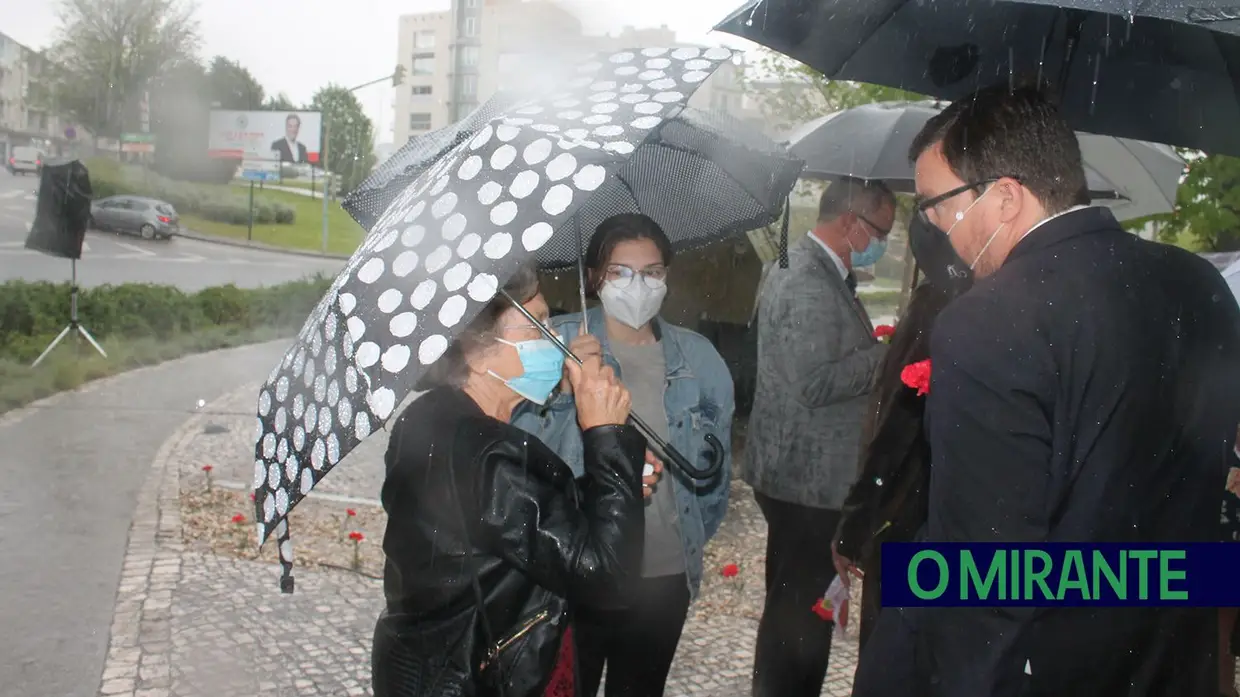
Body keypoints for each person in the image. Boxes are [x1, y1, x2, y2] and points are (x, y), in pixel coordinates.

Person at [891, 82, 1240, 697]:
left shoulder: (988, 320)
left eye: (934, 205)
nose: (935, 228)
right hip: (1172, 657)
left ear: (1004, 197)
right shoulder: (1200, 286)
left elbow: (985, 577)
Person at [372, 265, 649, 697]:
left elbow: (510, 526)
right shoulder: (488, 453)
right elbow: (607, 575)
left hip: (427, 663)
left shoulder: (428, 418)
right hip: (480, 676)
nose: (553, 339)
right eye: (535, 329)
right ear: (477, 354)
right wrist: (606, 434)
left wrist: (608, 484)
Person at [513, 213, 734, 697]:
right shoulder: (553, 345)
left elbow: (714, 483)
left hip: (662, 579)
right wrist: (568, 389)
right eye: (620, 272)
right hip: (576, 576)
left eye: (652, 272)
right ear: (594, 277)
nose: (639, 285)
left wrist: (680, 538)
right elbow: (518, 460)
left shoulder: (701, 362)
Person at [746, 176, 894, 697]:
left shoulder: (822, 272)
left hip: (807, 480)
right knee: (799, 619)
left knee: (806, 610)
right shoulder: (804, 277)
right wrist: (885, 355)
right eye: (881, 231)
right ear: (852, 224)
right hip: (802, 483)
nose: (884, 243)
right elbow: (813, 382)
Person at [831, 280, 952, 651]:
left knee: (892, 660)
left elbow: (898, 425)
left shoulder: (942, 299)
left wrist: (853, 527)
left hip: (914, 523)